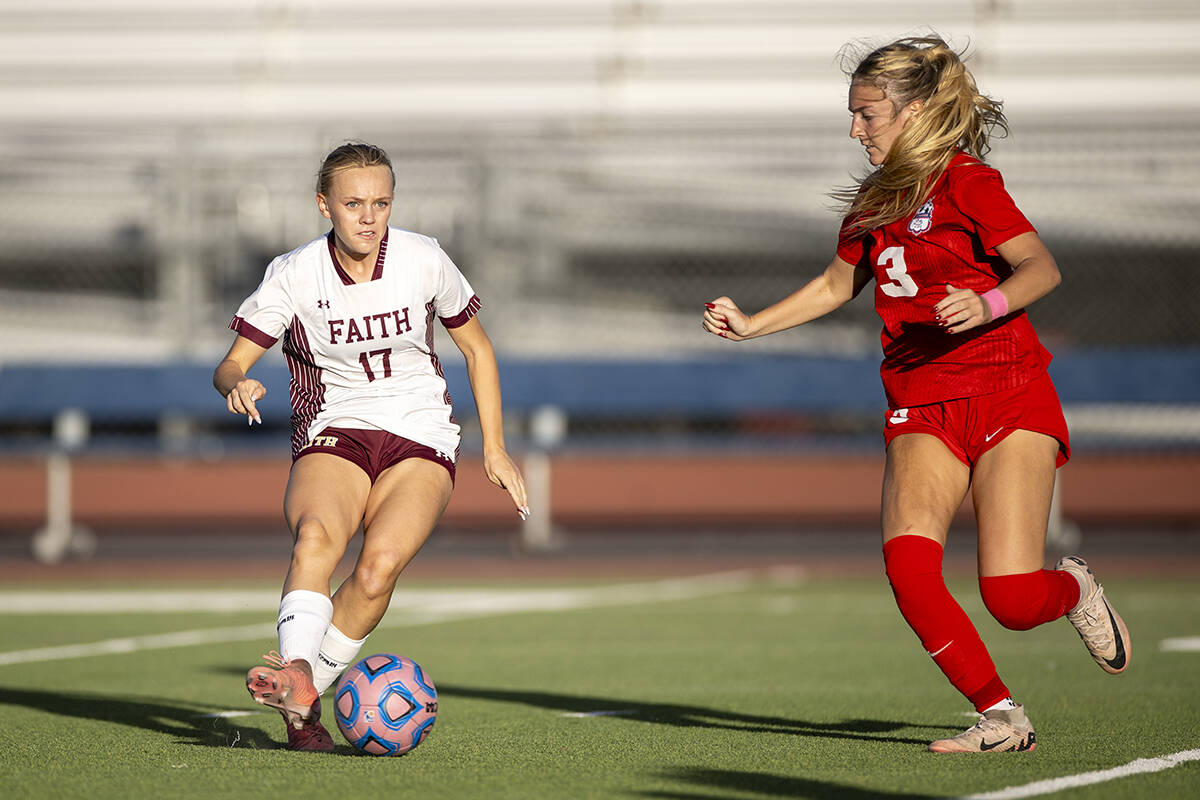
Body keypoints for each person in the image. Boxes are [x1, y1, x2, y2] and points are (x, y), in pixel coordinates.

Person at [702, 36, 1129, 753]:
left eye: (867, 114)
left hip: (1005, 391)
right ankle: (1001, 717)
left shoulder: (968, 182)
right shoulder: (875, 199)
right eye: (852, 114)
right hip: (921, 400)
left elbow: (1040, 269)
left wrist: (989, 304)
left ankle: (1075, 590)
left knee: (1014, 601)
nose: (854, 129)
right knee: (908, 566)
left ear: (915, 110)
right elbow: (837, 286)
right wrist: (751, 325)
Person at [213, 142, 529, 751]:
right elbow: (230, 364)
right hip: (335, 427)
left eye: (380, 203)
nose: (368, 216)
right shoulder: (295, 272)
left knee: (378, 569)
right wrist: (239, 382)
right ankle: (299, 673)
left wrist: (495, 448)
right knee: (316, 537)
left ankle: (302, 699)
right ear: (323, 205)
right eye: (353, 203)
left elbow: (478, 349)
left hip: (422, 432)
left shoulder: (422, 258)